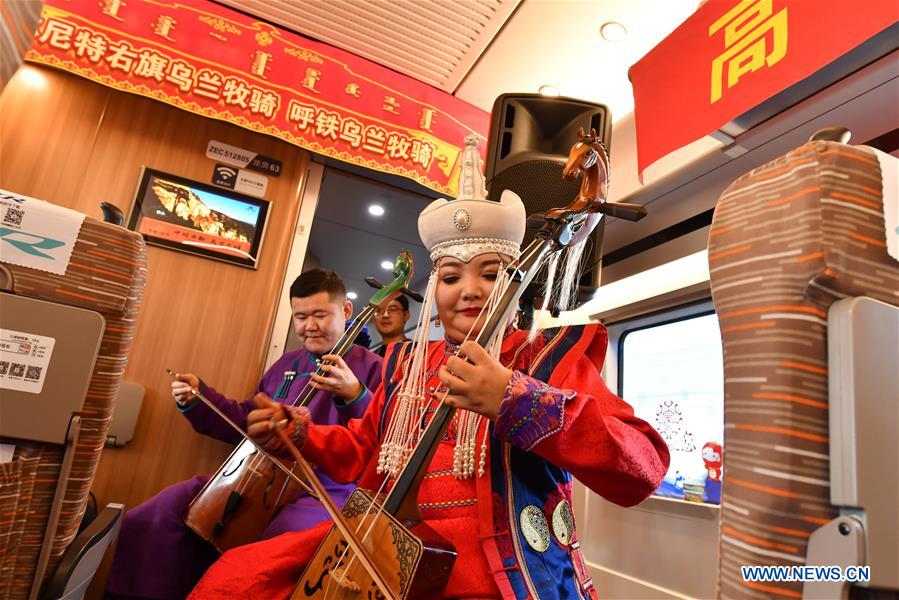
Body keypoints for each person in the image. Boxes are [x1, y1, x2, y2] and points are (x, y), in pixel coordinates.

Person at [190, 139, 670, 599]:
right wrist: (296, 432)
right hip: (390, 557)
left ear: (514, 284)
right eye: (451, 276)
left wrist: (515, 397)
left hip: (499, 572)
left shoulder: (543, 357)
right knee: (235, 578)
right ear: (435, 290)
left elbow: (643, 466)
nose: (470, 290)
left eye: (490, 274)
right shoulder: (407, 362)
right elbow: (365, 453)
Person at [105, 269, 382, 600]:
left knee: (272, 548)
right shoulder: (286, 363)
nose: (310, 327)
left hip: (325, 487)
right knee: (160, 512)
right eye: (301, 317)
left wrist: (355, 394)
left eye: (320, 315)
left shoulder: (374, 366)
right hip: (259, 476)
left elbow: (379, 437)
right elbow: (244, 421)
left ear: (346, 311)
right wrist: (199, 399)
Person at [372, 293, 412, 357]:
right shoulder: (370, 359)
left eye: (392, 309)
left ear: (406, 315)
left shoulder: (418, 351)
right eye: (379, 311)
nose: (385, 315)